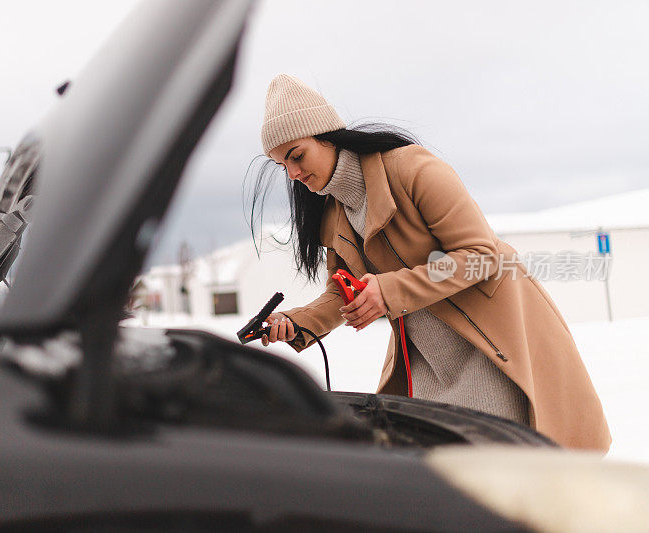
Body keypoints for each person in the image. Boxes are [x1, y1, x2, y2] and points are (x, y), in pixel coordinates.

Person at [248, 73, 610, 452]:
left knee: (496, 483)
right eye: (281, 165)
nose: (292, 173)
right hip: (427, 364)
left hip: (488, 350)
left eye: (296, 155)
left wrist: (389, 290)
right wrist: (294, 321)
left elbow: (480, 255)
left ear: (326, 136)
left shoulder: (411, 169)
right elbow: (344, 291)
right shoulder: (333, 213)